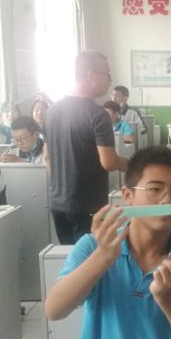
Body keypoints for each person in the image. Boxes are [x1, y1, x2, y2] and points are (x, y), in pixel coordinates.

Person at [45, 147, 171, 339]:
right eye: (155, 189)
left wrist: (167, 296)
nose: (167, 200)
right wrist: (103, 257)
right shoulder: (92, 246)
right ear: (128, 196)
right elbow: (54, 310)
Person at [45, 50, 128, 245]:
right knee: (91, 257)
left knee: (70, 257)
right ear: (91, 75)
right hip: (87, 205)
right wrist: (131, 164)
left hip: (57, 203)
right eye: (107, 74)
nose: (110, 80)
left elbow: (47, 157)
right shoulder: (97, 114)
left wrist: (63, 185)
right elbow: (108, 162)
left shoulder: (52, 111)